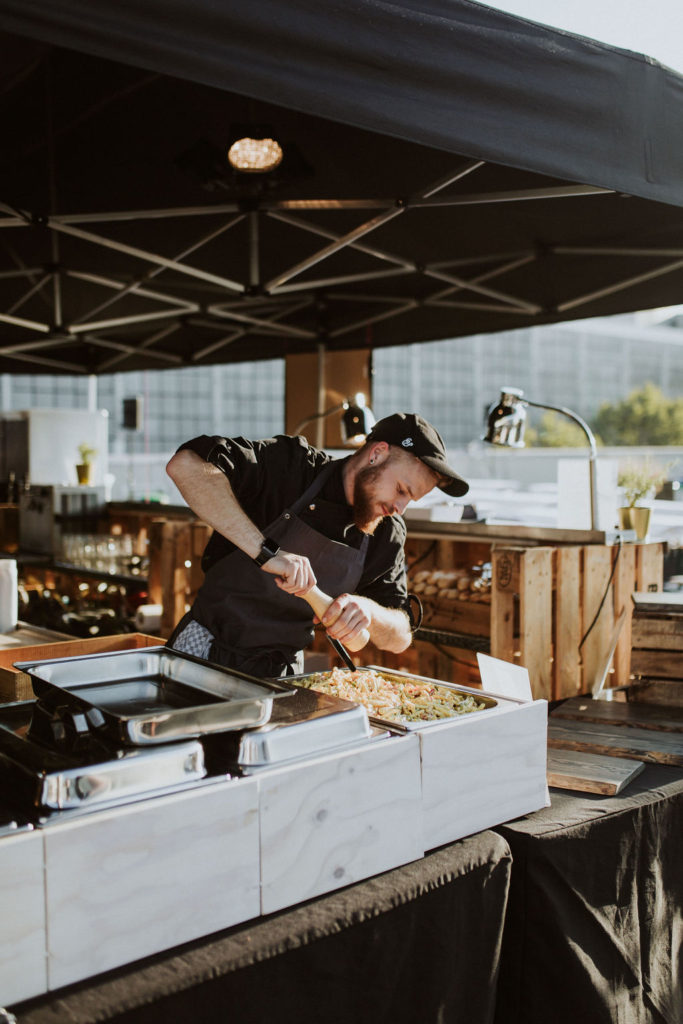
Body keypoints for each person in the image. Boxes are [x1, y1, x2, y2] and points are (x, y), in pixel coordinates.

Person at [166, 412, 469, 678]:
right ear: (377, 453)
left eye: (410, 500)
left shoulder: (386, 532)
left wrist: (369, 611)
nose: (400, 508)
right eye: (401, 490)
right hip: (204, 652)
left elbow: (400, 637)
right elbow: (186, 465)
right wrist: (266, 553)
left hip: (280, 676)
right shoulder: (291, 466)